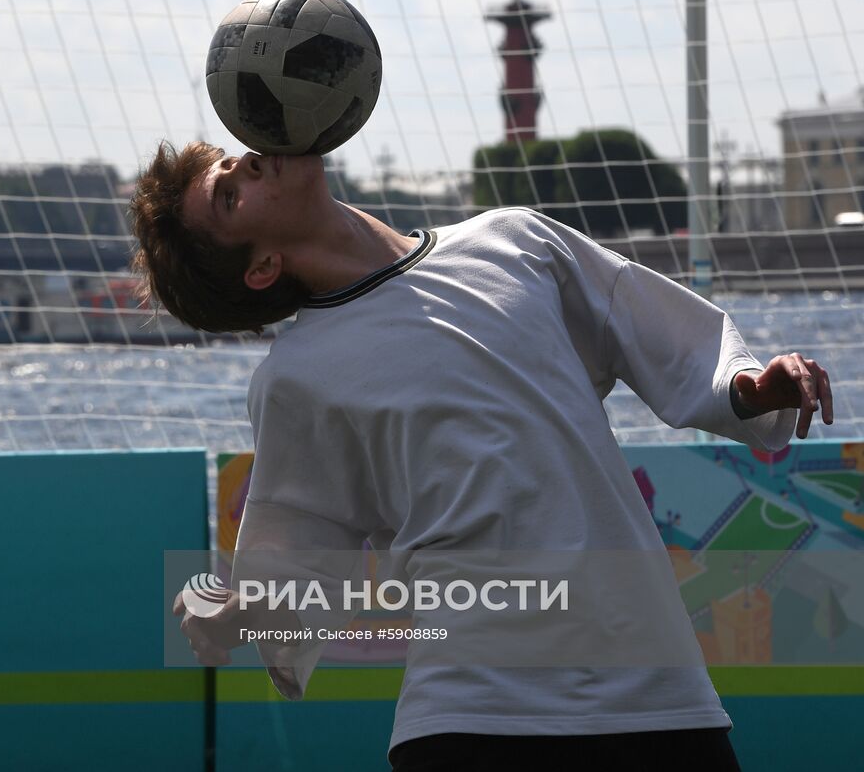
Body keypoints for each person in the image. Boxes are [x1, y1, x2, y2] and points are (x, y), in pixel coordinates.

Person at [128, 142, 834, 771]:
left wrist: (746, 386)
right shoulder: (294, 378)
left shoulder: (515, 239)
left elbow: (669, 341)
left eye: (233, 158)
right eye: (229, 195)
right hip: (470, 717)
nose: (246, 162)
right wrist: (239, 609)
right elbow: (294, 560)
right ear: (263, 268)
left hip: (658, 690)